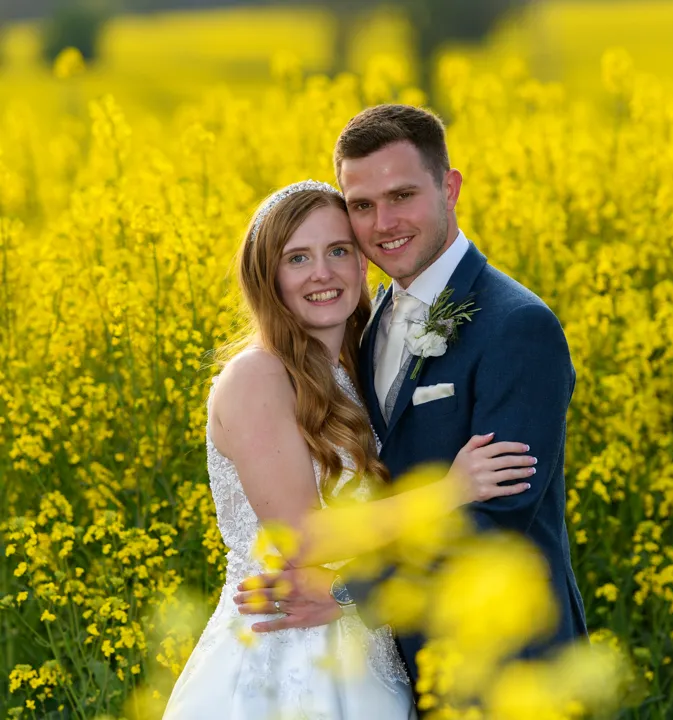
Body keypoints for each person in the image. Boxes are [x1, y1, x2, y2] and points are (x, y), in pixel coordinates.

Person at [235, 106, 588, 687]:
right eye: (363, 205)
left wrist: (349, 593)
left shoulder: (517, 326)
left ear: (449, 188)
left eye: (402, 196)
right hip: (400, 664)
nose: (383, 222)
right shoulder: (365, 324)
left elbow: (497, 520)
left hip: (506, 663)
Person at [162, 180, 536, 719]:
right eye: (298, 258)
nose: (323, 272)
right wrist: (451, 491)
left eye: (338, 250)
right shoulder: (256, 376)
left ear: (363, 263)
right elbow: (304, 536)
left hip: (362, 639)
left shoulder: (355, 370)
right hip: (285, 655)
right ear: (268, 278)